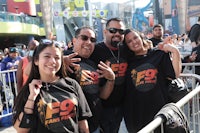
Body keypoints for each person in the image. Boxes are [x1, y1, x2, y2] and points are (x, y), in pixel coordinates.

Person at [13, 39, 92, 133]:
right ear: (36, 60)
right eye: (47, 56)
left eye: (57, 57)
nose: (52, 61)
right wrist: (32, 98)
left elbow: (82, 122)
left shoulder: (72, 84)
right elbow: (20, 130)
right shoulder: (30, 89)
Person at [123, 29, 181, 132]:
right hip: (136, 115)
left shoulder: (158, 54)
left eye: (135, 37)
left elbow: (174, 74)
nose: (134, 42)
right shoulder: (127, 62)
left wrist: (174, 50)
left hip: (159, 113)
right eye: (129, 41)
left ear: (141, 37)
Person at [65, 26, 115, 133]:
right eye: (84, 38)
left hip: (94, 125)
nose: (88, 42)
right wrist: (58, 62)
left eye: (92, 40)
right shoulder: (62, 57)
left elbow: (102, 95)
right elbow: (30, 69)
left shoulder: (93, 64)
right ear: (74, 40)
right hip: (71, 127)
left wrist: (111, 79)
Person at [89, 17, 127, 133]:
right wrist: (64, 57)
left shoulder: (126, 49)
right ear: (105, 32)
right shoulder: (95, 50)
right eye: (113, 30)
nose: (117, 34)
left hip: (121, 106)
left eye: (121, 31)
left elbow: (142, 50)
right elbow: (79, 54)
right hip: (102, 107)